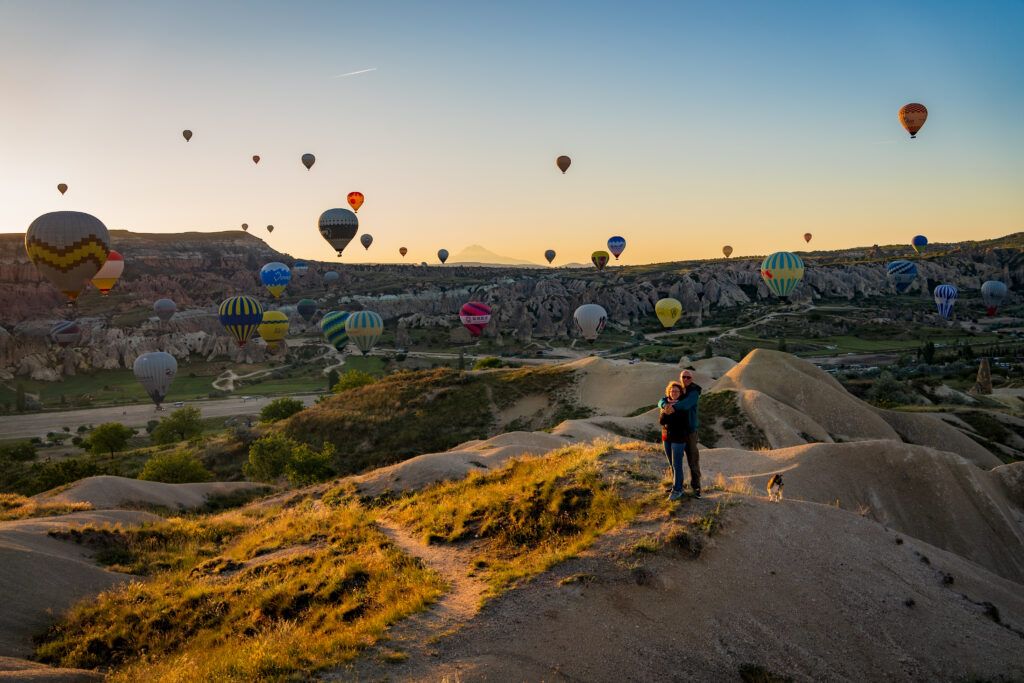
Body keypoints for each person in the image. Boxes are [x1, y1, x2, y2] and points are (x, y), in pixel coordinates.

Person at [658, 369, 702, 498]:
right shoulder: (680, 390)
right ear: (680, 377)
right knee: (674, 462)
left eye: (688, 377)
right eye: (684, 377)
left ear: (692, 378)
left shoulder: (693, 392)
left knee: (692, 461)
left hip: (690, 432)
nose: (686, 379)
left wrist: (672, 407)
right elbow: (662, 400)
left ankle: (696, 488)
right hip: (675, 433)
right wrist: (664, 405)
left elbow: (686, 404)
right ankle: (677, 485)